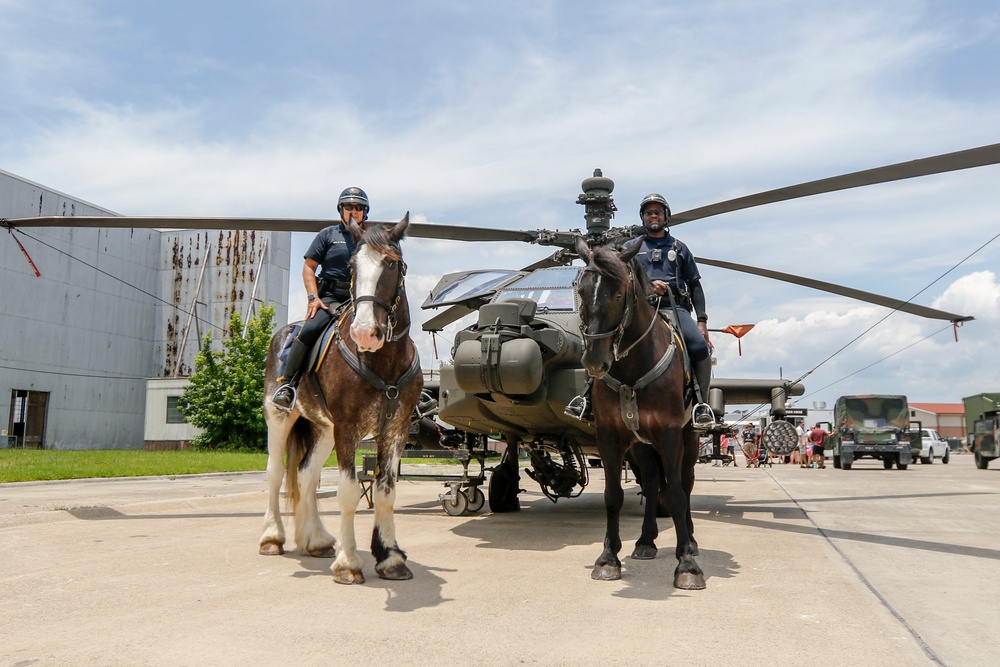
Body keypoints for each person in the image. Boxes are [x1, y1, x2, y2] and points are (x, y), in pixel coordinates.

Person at [270, 186, 370, 411]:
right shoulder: (327, 235)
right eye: (348, 207)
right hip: (330, 298)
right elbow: (309, 267)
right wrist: (313, 298)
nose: (353, 211)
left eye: (358, 208)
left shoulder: (370, 239)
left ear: (365, 212)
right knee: (309, 330)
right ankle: (288, 385)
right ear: (340, 210)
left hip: (361, 300)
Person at [624, 193, 714, 427]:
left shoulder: (680, 248)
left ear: (666, 217)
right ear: (642, 218)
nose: (653, 215)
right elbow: (621, 279)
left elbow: (695, 285)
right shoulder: (630, 248)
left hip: (674, 308)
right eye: (648, 212)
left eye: (657, 212)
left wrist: (702, 321)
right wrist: (648, 286)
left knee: (698, 346)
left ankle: (701, 405)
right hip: (638, 309)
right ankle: (586, 398)